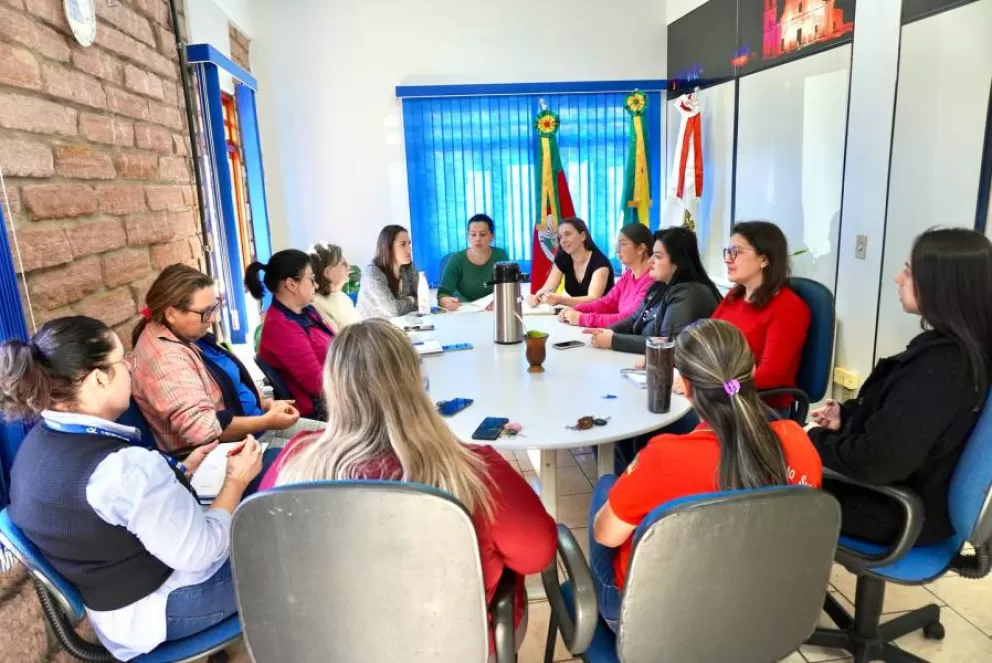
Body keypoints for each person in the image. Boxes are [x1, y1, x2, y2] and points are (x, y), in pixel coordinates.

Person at [258, 320, 556, 646]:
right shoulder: (474, 469)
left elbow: (266, 562)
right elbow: (537, 555)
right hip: (453, 647)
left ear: (333, 388)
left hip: (329, 648)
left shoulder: (293, 463)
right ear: (417, 383)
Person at [1, 316, 264, 661]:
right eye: (123, 361)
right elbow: (203, 551)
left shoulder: (33, 448)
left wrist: (181, 471)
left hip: (115, 613)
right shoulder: (124, 469)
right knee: (279, 545)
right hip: (164, 610)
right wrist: (235, 480)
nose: (130, 368)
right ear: (98, 379)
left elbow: (109, 512)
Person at [589, 319, 822, 631]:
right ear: (752, 371)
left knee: (607, 486)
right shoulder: (798, 440)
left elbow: (606, 535)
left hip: (658, 624)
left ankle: (593, 616)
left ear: (685, 387)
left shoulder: (665, 457)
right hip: (763, 614)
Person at [809, 228, 992, 546]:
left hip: (897, 510)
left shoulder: (944, 368)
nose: (897, 278)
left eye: (908, 272)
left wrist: (812, 439)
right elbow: (905, 425)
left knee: (758, 479)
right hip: (906, 496)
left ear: (940, 284)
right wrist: (847, 418)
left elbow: (878, 462)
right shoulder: (953, 349)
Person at [132, 264, 319, 453]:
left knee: (333, 439)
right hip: (238, 451)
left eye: (215, 307)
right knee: (328, 454)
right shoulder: (166, 360)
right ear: (171, 314)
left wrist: (265, 403)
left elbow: (231, 384)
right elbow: (203, 431)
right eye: (206, 312)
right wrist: (266, 421)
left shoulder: (186, 334)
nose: (213, 319)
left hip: (256, 428)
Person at [711, 221, 810, 406]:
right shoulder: (735, 295)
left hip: (758, 405)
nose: (728, 259)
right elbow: (704, 339)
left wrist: (717, 388)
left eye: (737, 252)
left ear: (764, 259)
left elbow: (769, 376)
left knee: (674, 418)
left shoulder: (789, 308)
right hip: (721, 395)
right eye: (728, 251)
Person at [585, 226, 721, 354]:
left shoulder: (688, 294)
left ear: (677, 263)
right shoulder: (659, 286)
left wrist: (613, 340)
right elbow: (634, 319)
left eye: (658, 256)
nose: (650, 261)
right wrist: (606, 331)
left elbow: (668, 344)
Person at [246, 250, 335, 420]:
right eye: (311, 279)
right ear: (292, 284)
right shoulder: (281, 327)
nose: (316, 285)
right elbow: (319, 385)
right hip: (321, 411)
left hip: (335, 394)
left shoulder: (307, 311)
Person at [558, 223, 654, 328]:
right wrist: (577, 309)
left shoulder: (651, 281)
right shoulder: (628, 275)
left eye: (622, 244)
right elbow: (607, 303)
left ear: (640, 248)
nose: (617, 250)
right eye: (617, 244)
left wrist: (582, 318)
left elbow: (629, 319)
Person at [528, 217, 615, 307]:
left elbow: (593, 299)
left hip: (603, 312)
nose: (563, 241)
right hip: (577, 312)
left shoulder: (600, 262)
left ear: (583, 236)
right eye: (560, 237)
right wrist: (538, 297)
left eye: (567, 234)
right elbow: (548, 288)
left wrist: (560, 299)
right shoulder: (563, 257)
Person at [437, 214, 510, 311]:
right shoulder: (456, 259)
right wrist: (446, 301)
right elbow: (443, 293)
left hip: (492, 311)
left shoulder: (501, 256)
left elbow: (508, 288)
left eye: (482, 234)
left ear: (492, 236)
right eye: (473, 234)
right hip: (464, 311)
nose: (477, 239)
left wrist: (500, 301)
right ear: (468, 236)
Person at [356, 225, 420, 319]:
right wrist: (412, 299)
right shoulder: (372, 273)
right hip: (371, 326)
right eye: (403, 244)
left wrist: (410, 302)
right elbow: (393, 310)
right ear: (388, 247)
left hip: (400, 323)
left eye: (409, 244)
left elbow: (423, 299)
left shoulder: (408, 267)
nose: (409, 250)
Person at [309, 241, 361, 333]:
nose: (349, 267)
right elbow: (335, 340)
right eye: (343, 263)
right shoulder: (316, 304)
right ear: (327, 272)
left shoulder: (343, 297)